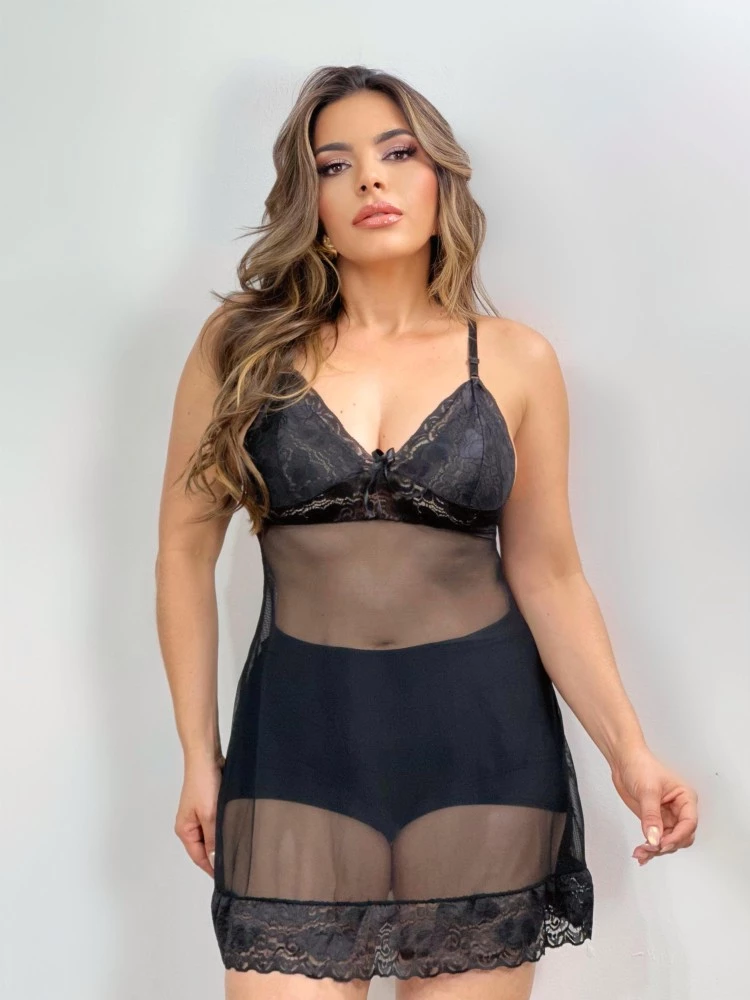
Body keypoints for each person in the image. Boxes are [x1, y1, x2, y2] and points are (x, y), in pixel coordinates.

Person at [155, 65, 699, 1000]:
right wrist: (197, 757)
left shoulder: (518, 361)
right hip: (297, 751)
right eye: (336, 164)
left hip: (483, 752)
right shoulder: (241, 347)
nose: (371, 178)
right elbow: (182, 550)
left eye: (397, 152)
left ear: (440, 177)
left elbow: (549, 574)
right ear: (310, 201)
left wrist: (631, 752)